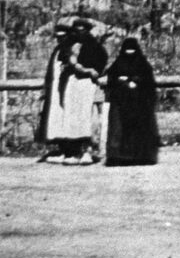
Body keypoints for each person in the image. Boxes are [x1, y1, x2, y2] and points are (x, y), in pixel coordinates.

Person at [103, 37, 159, 167]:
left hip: (139, 103)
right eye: (127, 50)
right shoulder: (117, 64)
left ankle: (141, 156)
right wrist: (123, 83)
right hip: (121, 103)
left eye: (132, 50)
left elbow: (149, 83)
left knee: (139, 129)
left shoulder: (143, 64)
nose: (129, 53)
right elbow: (111, 80)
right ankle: (119, 157)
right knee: (119, 129)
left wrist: (136, 81)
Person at [59, 19, 108, 164]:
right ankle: (74, 151)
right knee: (72, 117)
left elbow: (100, 67)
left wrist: (91, 71)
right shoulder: (69, 46)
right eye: (77, 30)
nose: (80, 33)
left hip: (89, 85)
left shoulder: (97, 48)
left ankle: (88, 151)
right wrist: (77, 65)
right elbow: (68, 64)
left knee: (88, 117)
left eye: (83, 30)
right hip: (73, 84)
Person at [36, 22, 74, 162]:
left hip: (66, 88)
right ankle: (60, 147)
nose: (60, 40)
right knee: (55, 118)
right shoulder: (57, 50)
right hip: (54, 88)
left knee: (65, 116)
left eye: (63, 37)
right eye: (58, 37)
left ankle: (70, 149)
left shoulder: (70, 49)